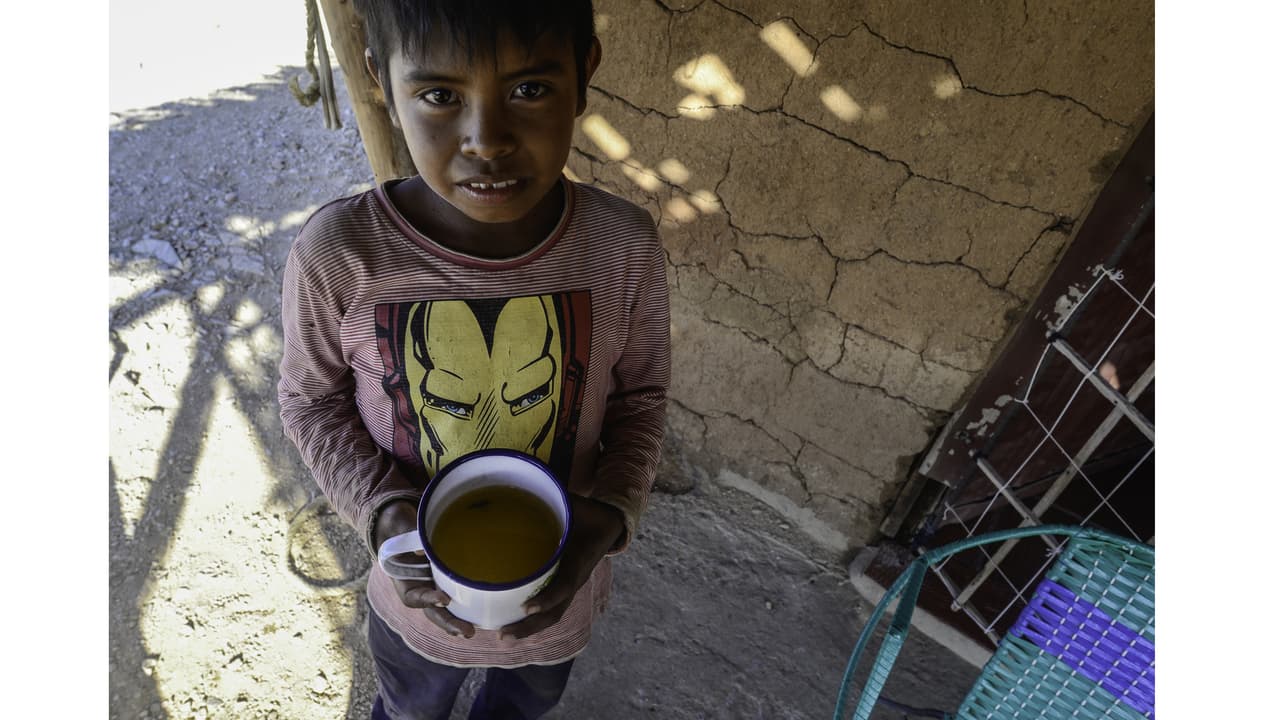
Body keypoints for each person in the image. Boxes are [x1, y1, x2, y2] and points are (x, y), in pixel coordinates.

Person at [276, 1, 670, 717]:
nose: (487, 140)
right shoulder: (340, 254)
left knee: (522, 708)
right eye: (439, 95)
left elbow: (641, 397)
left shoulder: (624, 246)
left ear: (584, 75)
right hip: (414, 608)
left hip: (561, 599)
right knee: (408, 708)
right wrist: (382, 510)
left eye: (529, 89)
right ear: (379, 81)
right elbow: (310, 401)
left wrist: (609, 516)